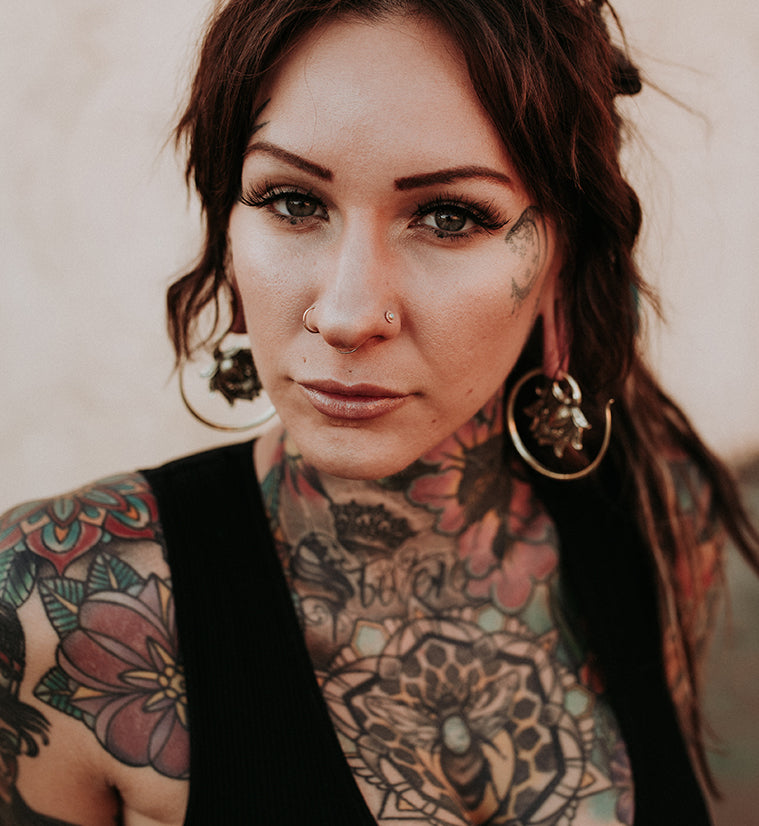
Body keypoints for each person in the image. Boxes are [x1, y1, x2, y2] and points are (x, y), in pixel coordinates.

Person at [0, 0, 757, 823]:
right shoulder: (61, 602)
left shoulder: (654, 512)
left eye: (447, 216)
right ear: (227, 226)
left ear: (560, 258)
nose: (347, 314)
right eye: (292, 201)